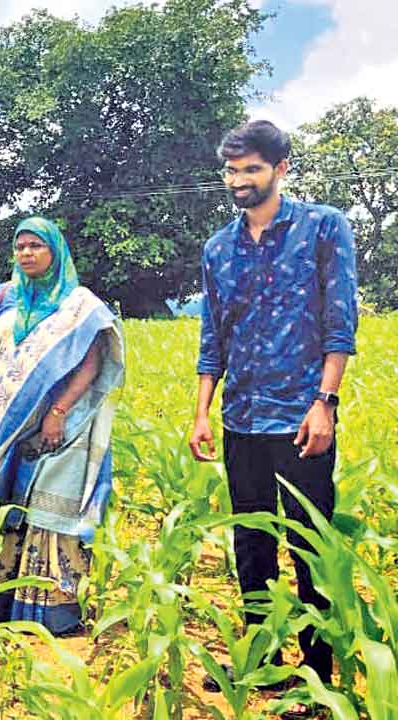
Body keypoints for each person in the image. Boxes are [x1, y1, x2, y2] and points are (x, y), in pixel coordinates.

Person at [190, 120, 357, 700]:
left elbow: (340, 322)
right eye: (231, 170)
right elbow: (214, 334)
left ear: (281, 169)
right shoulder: (218, 248)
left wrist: (325, 403)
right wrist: (202, 412)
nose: (238, 181)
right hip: (241, 421)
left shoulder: (321, 228)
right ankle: (263, 661)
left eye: (251, 169)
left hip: (302, 419)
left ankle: (317, 680)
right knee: (251, 547)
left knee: (311, 547)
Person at [0, 216, 124, 636]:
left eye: (36, 246)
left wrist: (58, 411)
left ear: (55, 251)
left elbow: (93, 361)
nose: (26, 253)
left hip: (60, 429)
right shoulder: (3, 297)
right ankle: (7, 600)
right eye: (20, 246)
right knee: (13, 508)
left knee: (49, 511)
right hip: (7, 425)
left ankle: (55, 613)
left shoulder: (78, 302)